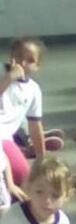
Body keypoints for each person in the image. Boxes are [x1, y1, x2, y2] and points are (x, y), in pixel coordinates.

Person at [1, 38, 54, 185]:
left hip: (5, 138)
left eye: (30, 60)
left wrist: (41, 158)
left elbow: (35, 124)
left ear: (37, 66)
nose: (23, 64)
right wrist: (9, 78)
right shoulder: (2, 73)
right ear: (11, 57)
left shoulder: (33, 89)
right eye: (19, 57)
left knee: (25, 178)